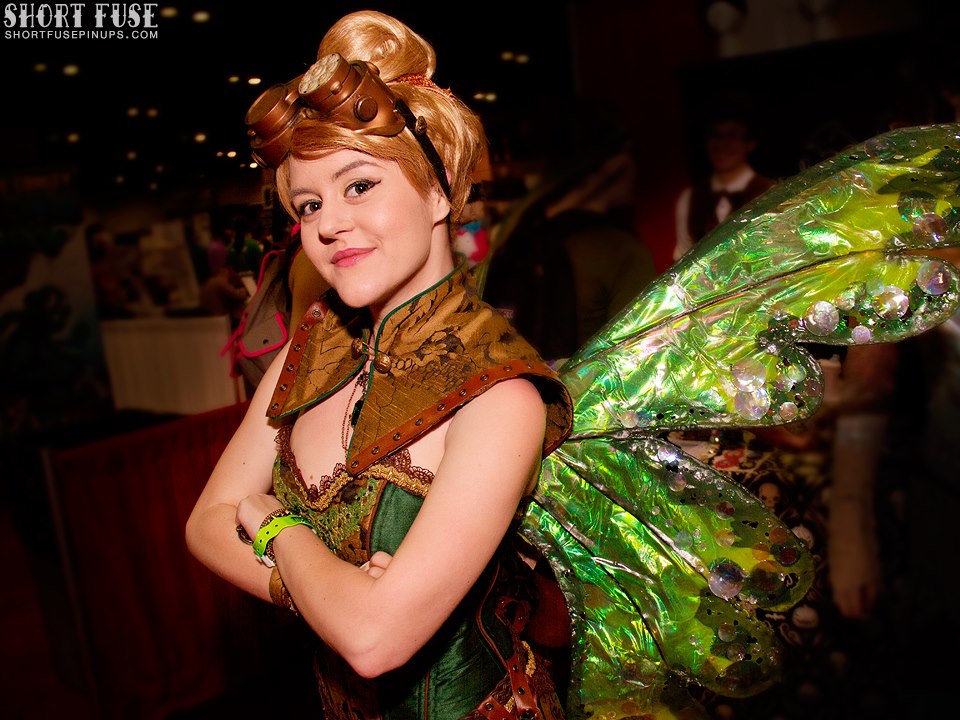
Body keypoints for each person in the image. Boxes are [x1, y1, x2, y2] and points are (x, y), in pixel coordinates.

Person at [185, 10, 573, 719]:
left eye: (359, 185)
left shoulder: (501, 396)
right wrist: (321, 591)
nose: (328, 224)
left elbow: (372, 640)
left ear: (439, 189)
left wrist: (276, 528)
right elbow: (205, 522)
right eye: (308, 204)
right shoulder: (310, 351)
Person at [673, 113, 775, 261]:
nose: (721, 145)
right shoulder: (690, 198)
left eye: (731, 136)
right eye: (716, 136)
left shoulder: (769, 193)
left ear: (750, 144)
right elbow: (683, 255)